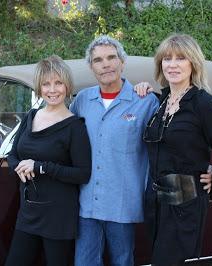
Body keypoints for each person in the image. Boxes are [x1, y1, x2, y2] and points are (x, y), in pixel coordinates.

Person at [137, 33, 212, 265]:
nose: (172, 64)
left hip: (184, 201)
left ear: (193, 63)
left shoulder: (204, 105)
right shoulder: (161, 101)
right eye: (167, 59)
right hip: (155, 201)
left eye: (181, 58)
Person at [70, 35, 159, 266]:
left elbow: (165, 144)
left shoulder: (146, 101)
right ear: (91, 66)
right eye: (98, 60)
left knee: (123, 262)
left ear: (122, 62)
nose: (106, 64)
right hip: (87, 204)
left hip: (123, 204)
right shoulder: (81, 101)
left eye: (111, 57)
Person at [5, 55, 92, 266]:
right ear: (39, 87)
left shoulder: (75, 126)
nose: (52, 90)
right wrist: (19, 167)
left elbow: (83, 173)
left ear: (67, 85)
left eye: (58, 83)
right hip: (29, 211)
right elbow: (13, 155)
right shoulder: (31, 116)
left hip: (58, 214)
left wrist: (41, 167)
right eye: (46, 84)